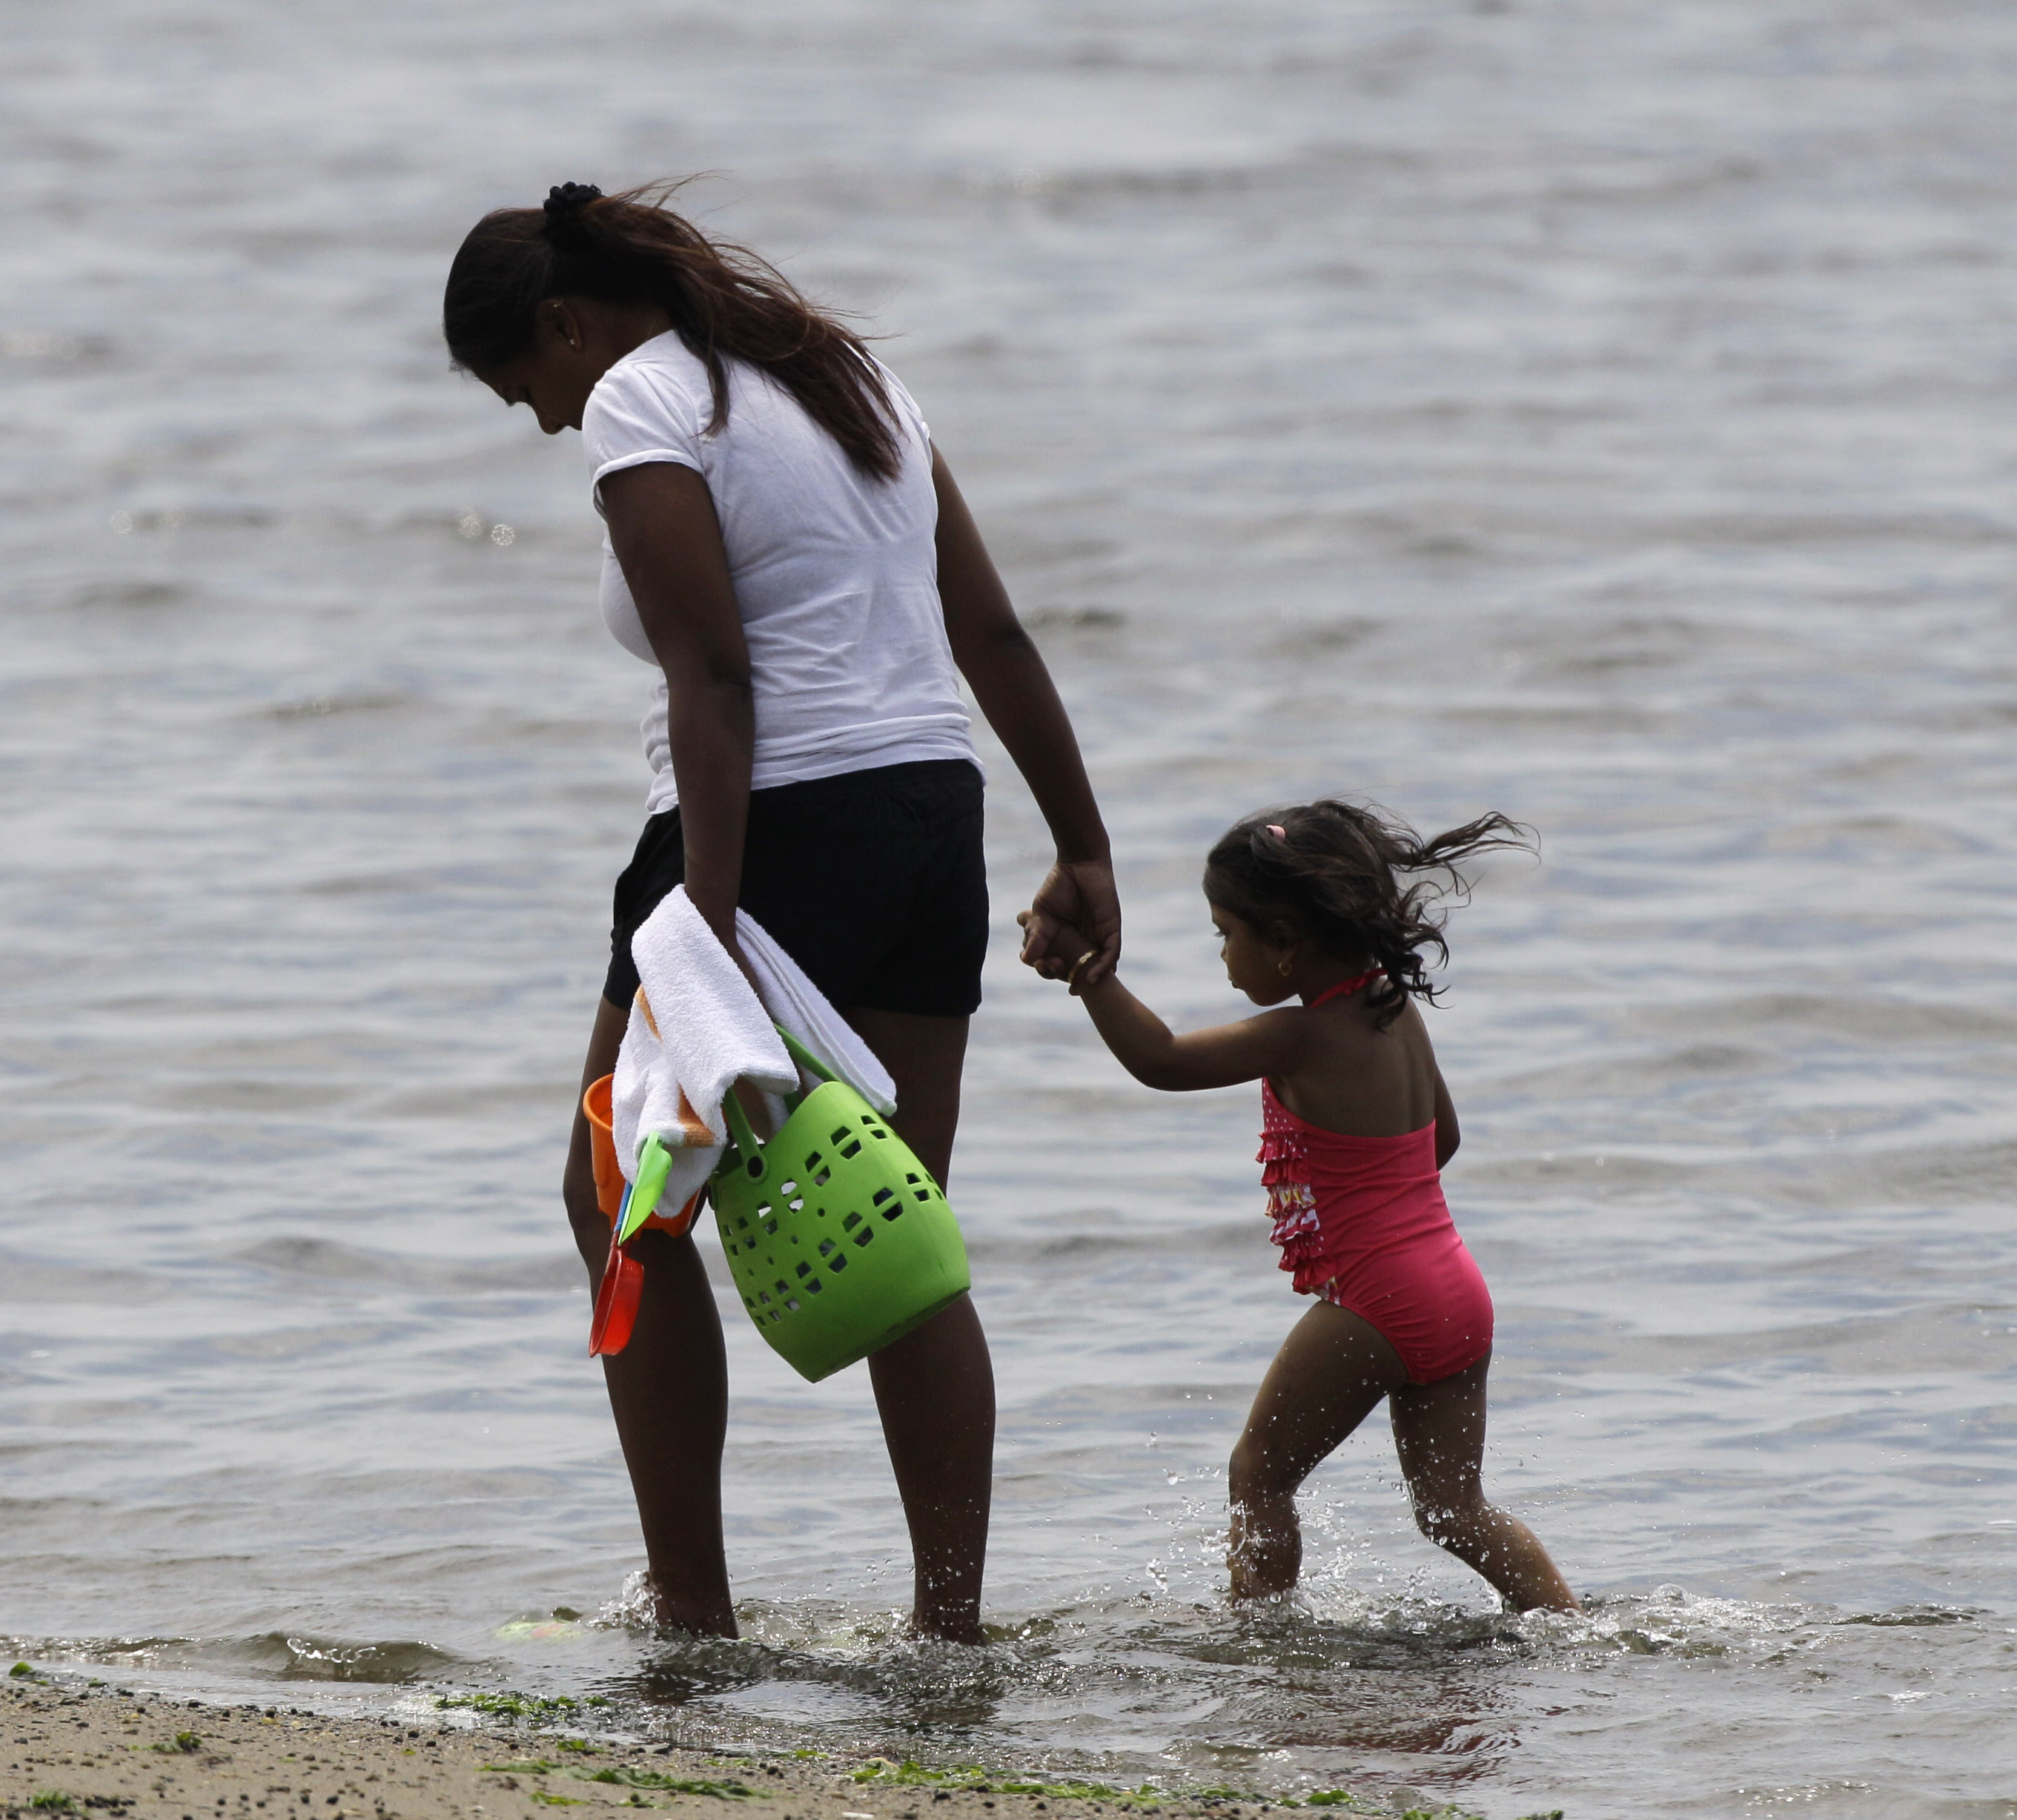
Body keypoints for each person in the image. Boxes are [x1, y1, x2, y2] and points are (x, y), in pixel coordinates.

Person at [443, 181, 1118, 1644]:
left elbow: (714, 676)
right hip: (928, 815)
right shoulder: (841, 370)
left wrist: (707, 928)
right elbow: (987, 629)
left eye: (524, 390)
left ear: (563, 324)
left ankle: (688, 1608)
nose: (547, 424)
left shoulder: (637, 397)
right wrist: (1082, 845)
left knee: (621, 1203)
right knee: (898, 1231)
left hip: (767, 831)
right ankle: (949, 1631)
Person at [1025, 799, 1577, 1613]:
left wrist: (1089, 974)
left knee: (1257, 1473)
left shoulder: (1298, 1036)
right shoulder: (1392, 1007)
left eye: (1224, 933)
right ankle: (1563, 1625)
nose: (1220, 955)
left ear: (1284, 943)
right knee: (1454, 1512)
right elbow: (1441, 1139)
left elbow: (1160, 1060)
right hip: (1455, 1289)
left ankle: (1262, 1644)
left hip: (1379, 1296)